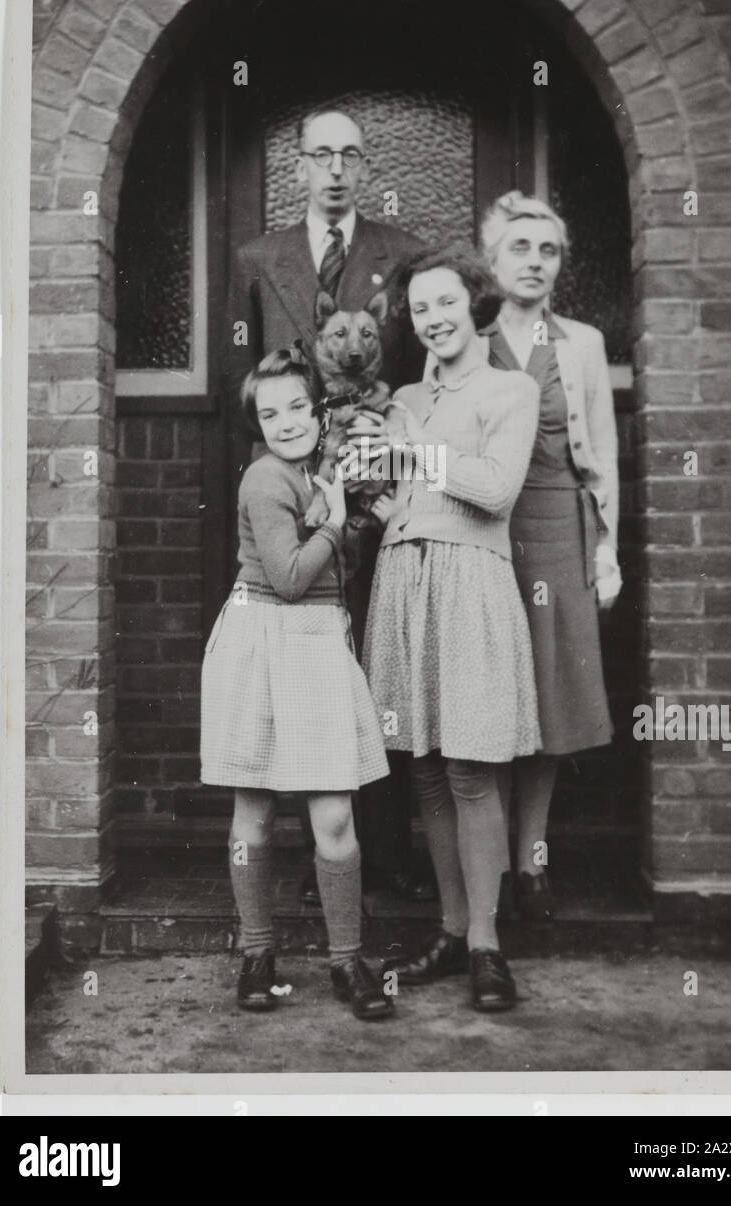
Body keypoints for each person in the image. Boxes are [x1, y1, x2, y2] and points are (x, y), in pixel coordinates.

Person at [223, 107, 433, 903]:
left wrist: (377, 478)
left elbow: (407, 382)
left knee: (373, 665)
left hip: (372, 494)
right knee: (293, 669)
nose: (336, 169)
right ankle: (301, 854)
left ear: (364, 166)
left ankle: (380, 852)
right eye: (321, 156)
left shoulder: (402, 257)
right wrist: (273, 503)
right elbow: (241, 392)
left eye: (350, 155)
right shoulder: (257, 257)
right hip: (288, 508)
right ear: (299, 169)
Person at [361, 246, 542, 1013]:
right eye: (418, 309)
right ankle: (448, 927)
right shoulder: (403, 395)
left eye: (444, 303)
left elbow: (495, 490)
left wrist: (413, 452)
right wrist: (366, 489)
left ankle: (487, 946)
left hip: (470, 582)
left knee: (471, 768)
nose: (431, 319)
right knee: (427, 768)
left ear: (474, 304)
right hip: (405, 581)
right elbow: (405, 498)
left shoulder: (511, 388)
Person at [200, 347, 398, 1021]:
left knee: (334, 813)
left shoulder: (323, 469)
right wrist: (339, 522)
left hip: (316, 641)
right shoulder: (264, 477)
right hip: (261, 636)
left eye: (296, 406)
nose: (285, 422)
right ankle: (257, 953)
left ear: (319, 407)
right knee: (254, 809)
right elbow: (287, 577)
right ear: (255, 422)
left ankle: (347, 960)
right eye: (268, 412)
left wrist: (360, 508)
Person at [481, 191, 622, 920]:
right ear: (491, 260)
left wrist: (605, 556)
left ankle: (529, 857)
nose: (534, 262)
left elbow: (602, 458)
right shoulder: (469, 344)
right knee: (495, 697)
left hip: (560, 530)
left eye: (548, 251)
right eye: (519, 248)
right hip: (490, 535)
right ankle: (488, 868)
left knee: (550, 703)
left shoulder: (583, 344)